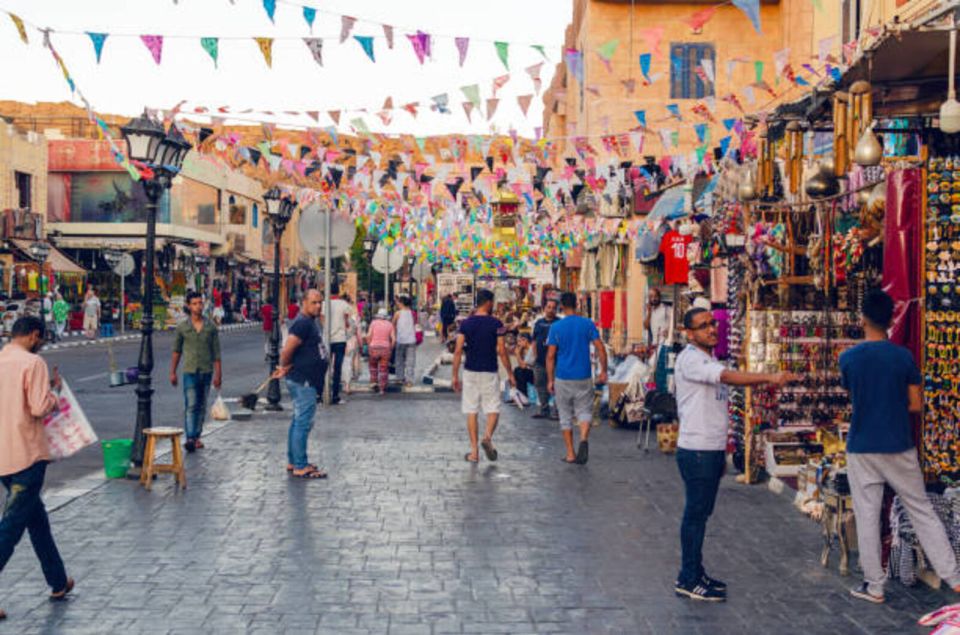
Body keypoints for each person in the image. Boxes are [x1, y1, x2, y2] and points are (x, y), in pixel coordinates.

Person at [840, 289, 960, 603]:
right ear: (891, 319)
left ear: (862, 318)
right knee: (921, 511)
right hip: (898, 444)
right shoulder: (903, 357)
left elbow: (853, 396)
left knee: (867, 514)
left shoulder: (848, 358)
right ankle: (954, 577)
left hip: (862, 445)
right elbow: (916, 404)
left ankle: (874, 586)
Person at [673, 307, 798, 602]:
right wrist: (768, 377)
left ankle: (695, 572)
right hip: (698, 449)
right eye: (703, 326)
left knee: (701, 514)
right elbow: (727, 376)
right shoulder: (691, 359)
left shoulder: (707, 358)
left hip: (710, 449)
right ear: (690, 334)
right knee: (695, 515)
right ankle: (688, 578)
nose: (711, 330)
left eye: (713, 324)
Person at [0, 317, 74, 620]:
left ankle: (58, 580)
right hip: (27, 455)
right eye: (41, 339)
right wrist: (54, 395)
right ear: (33, 335)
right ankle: (57, 580)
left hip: (3, 456)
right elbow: (38, 407)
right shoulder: (34, 363)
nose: (42, 344)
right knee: (12, 525)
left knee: (36, 520)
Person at [451, 289, 516, 463]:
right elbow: (502, 351)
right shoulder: (497, 324)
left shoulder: (466, 324)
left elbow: (458, 351)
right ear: (488, 302)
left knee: (471, 410)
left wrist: (454, 376)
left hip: (470, 371)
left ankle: (474, 453)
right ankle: (487, 437)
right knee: (493, 408)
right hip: (490, 371)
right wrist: (510, 373)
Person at [546, 292, 608, 465]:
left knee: (565, 415)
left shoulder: (556, 327)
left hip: (563, 376)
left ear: (561, 307)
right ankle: (583, 439)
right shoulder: (587, 324)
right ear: (577, 305)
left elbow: (550, 356)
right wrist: (603, 371)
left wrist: (550, 379)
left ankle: (571, 453)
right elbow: (600, 348)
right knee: (585, 411)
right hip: (583, 375)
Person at [272, 290, 327, 479]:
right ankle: (300, 465)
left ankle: (294, 460)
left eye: (320, 302)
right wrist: (284, 365)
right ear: (304, 302)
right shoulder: (303, 323)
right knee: (303, 422)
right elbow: (288, 349)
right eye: (314, 303)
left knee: (298, 421)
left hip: (305, 378)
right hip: (304, 381)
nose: (318, 306)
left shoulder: (310, 322)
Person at [170, 292, 222, 453]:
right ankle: (191, 437)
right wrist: (173, 372)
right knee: (191, 405)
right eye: (194, 303)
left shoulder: (211, 327)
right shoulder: (182, 328)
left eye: (200, 303)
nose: (198, 306)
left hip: (206, 371)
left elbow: (216, 353)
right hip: (190, 371)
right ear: (188, 306)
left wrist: (218, 375)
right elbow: (176, 351)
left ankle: (197, 436)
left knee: (201, 405)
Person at [326, 282, 356, 405]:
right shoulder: (344, 305)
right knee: (337, 368)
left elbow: (322, 320)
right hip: (340, 339)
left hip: (327, 339)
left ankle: (322, 392)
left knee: (325, 367)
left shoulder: (324, 304)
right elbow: (348, 322)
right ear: (338, 292)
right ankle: (335, 395)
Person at [531, 298, 560, 419]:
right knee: (540, 384)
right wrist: (535, 356)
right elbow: (534, 341)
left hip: (556, 361)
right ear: (544, 309)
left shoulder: (559, 323)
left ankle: (557, 411)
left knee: (557, 386)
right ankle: (544, 409)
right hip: (540, 361)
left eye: (553, 308)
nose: (551, 310)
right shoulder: (538, 323)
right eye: (549, 307)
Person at [366, 308, 396, 394]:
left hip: (374, 347)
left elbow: (368, 336)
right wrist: (390, 348)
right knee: (383, 368)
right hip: (385, 349)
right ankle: (382, 388)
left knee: (373, 366)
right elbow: (394, 339)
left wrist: (369, 346)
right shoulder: (390, 325)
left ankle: (374, 382)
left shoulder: (373, 323)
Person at [393, 295, 418, 387]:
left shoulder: (398, 313)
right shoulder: (412, 313)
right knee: (410, 361)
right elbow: (414, 323)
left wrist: (393, 337)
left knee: (399, 359)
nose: (397, 304)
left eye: (398, 302)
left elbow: (393, 324)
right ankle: (409, 380)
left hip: (401, 339)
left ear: (402, 303)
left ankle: (400, 378)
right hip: (411, 339)